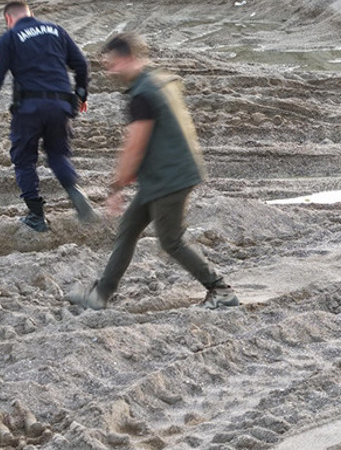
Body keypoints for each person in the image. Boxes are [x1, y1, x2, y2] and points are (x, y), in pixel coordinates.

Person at [66, 33, 238, 310]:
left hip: (170, 178)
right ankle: (100, 295)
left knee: (171, 241)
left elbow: (134, 146)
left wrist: (117, 188)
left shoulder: (142, 95)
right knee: (128, 229)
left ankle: (221, 290)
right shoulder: (158, 80)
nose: (109, 71)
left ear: (129, 58)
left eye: (113, 64)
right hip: (162, 175)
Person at [0, 0, 96, 231]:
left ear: (9, 20)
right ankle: (75, 190)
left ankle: (36, 216)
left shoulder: (10, 37)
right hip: (60, 106)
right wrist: (80, 96)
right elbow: (81, 65)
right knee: (57, 154)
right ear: (31, 14)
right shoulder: (56, 30)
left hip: (29, 108)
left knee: (24, 159)